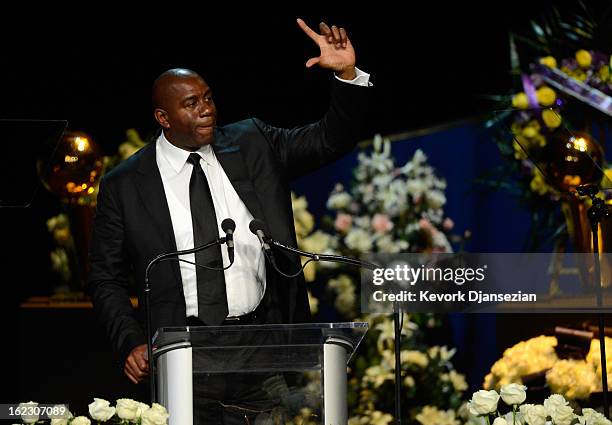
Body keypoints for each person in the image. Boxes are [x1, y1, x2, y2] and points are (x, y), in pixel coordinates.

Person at [88, 18, 372, 423]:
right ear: (162, 118)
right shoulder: (126, 185)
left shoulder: (253, 142)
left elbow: (330, 139)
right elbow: (105, 278)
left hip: (262, 346)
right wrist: (131, 342)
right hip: (182, 354)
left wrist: (346, 74)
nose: (206, 109)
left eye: (207, 98)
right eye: (191, 104)